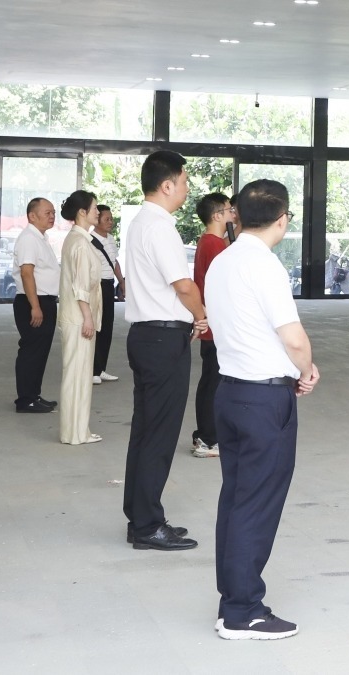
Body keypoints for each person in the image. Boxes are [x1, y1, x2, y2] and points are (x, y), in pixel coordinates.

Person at [205, 179, 320, 641]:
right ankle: (243, 611)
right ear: (283, 219)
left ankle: (232, 601)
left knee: (237, 499)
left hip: (229, 392)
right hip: (263, 400)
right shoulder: (265, 265)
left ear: (238, 214)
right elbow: (293, 338)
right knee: (256, 504)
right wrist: (307, 370)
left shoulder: (222, 260)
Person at [121, 150, 206, 551]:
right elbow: (183, 285)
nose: (187, 189)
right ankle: (148, 526)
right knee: (159, 433)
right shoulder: (160, 227)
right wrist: (202, 316)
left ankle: (140, 518)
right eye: (184, 182)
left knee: (146, 431)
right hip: (162, 339)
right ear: (167, 185)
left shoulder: (140, 223)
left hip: (147, 335)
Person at [56, 191, 106, 446]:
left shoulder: (78, 239)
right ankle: (76, 433)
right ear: (82, 212)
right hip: (79, 319)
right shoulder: (80, 243)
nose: (98, 212)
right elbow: (81, 287)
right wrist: (88, 318)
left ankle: (75, 431)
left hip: (76, 317)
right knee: (78, 376)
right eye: (95, 208)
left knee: (77, 376)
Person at [189, 193, 234, 458]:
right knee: (213, 383)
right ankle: (208, 439)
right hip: (216, 324)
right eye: (229, 211)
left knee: (210, 380)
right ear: (217, 216)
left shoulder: (209, 242)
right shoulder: (214, 245)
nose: (232, 215)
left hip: (212, 324)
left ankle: (205, 435)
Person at [12, 197, 60, 414]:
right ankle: (25, 400)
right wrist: (35, 306)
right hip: (33, 301)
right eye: (47, 212)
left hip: (44, 300)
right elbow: (26, 273)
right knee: (31, 351)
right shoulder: (29, 239)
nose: (52, 216)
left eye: (53, 212)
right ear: (32, 216)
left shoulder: (41, 238)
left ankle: (33, 394)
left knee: (40, 352)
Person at [92, 205, 123, 383]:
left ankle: (101, 368)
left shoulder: (110, 239)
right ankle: (93, 370)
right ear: (96, 220)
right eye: (107, 219)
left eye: (111, 219)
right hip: (97, 285)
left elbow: (115, 262)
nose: (110, 222)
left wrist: (122, 281)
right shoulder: (90, 239)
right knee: (97, 326)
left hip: (109, 285)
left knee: (107, 327)